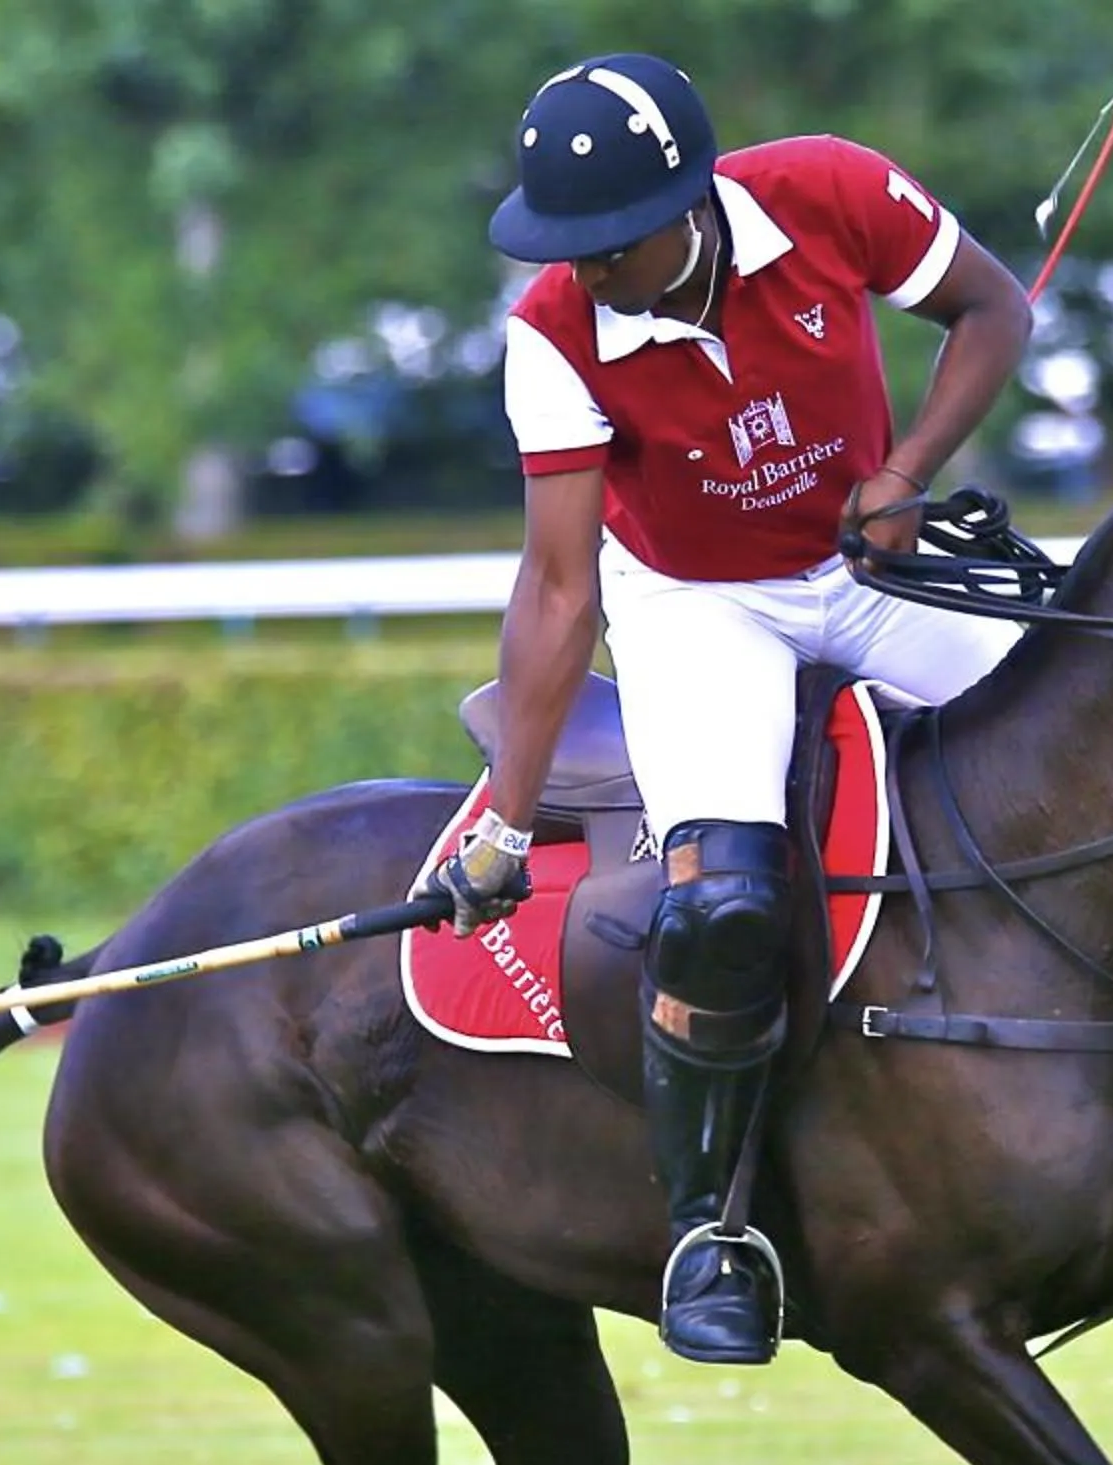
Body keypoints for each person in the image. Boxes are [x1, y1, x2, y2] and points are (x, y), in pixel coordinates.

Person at [432, 53, 1034, 1366]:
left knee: (1094, 735)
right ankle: (716, 1230)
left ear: (686, 206)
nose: (582, 267)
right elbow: (556, 586)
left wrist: (907, 470)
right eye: (564, 245)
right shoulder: (553, 329)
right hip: (705, 607)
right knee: (721, 908)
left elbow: (993, 311)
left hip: (871, 564)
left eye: (606, 243)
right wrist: (508, 826)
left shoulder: (829, 192)